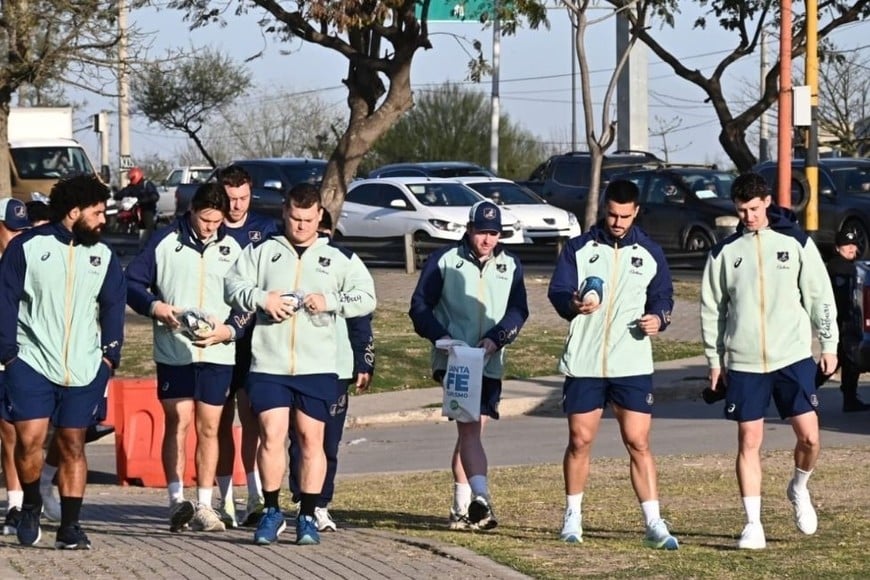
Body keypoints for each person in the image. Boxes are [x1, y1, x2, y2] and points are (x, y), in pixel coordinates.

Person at [224, 182, 376, 547]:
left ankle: (307, 513)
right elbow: (231, 285)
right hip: (270, 363)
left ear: (320, 216)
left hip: (317, 365)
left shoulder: (339, 256)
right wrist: (263, 299)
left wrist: (331, 301)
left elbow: (366, 297)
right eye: (295, 218)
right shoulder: (262, 250)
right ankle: (272, 510)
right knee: (272, 435)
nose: (301, 225)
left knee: (312, 440)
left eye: (308, 219)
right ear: (284, 213)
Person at [700, 172, 838, 550]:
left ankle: (798, 488)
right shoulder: (724, 253)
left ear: (767, 204)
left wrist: (829, 344)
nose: (749, 216)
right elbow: (713, 310)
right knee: (749, 439)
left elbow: (820, 296)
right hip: (744, 362)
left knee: (809, 437)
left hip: (792, 356)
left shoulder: (795, 242)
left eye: (755, 209)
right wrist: (715, 360)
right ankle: (752, 524)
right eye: (742, 210)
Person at [547, 179, 679, 550]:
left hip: (631, 362)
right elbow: (558, 292)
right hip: (585, 363)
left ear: (636, 212)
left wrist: (659, 318)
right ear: (604, 209)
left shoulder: (651, 252)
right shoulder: (578, 248)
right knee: (580, 440)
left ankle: (654, 522)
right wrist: (574, 303)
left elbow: (663, 298)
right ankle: (573, 516)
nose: (617, 222)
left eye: (624, 216)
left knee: (638, 441)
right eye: (612, 214)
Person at [0, 175, 126, 549]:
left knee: (73, 443)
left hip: (85, 366)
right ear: (74, 212)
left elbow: (113, 306)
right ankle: (31, 504)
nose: (104, 219)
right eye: (97, 212)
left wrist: (109, 355)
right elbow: (5, 302)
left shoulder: (103, 255)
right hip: (32, 362)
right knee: (29, 442)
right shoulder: (26, 247)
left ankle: (70, 526)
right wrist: (9, 354)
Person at [125, 182, 251, 534]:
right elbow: (132, 283)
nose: (210, 227)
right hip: (174, 350)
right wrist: (156, 307)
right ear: (192, 211)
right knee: (178, 419)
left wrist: (229, 331)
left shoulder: (235, 247)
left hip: (217, 352)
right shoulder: (165, 241)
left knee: (210, 426)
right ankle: (176, 500)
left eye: (216, 221)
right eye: (205, 220)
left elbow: (248, 302)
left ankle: (206, 505)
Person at [409, 200, 529, 532]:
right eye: (481, 232)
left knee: (472, 433)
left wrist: (497, 338)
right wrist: (442, 339)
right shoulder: (443, 261)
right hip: (456, 361)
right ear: (469, 229)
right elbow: (419, 307)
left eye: (494, 233)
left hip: (489, 360)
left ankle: (460, 509)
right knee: (470, 429)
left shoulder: (511, 264)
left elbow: (519, 310)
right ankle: (481, 500)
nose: (488, 240)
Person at [288, 211, 375, 533]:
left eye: (323, 233)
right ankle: (302, 498)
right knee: (299, 439)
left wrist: (364, 362)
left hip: (336, 368)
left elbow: (361, 318)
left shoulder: (342, 267)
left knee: (329, 442)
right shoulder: (289, 266)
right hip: (295, 365)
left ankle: (321, 504)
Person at [213, 165, 280, 529]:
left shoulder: (266, 229)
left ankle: (255, 495)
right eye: (230, 198)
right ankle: (223, 499)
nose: (236, 206)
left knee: (253, 417)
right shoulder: (210, 224)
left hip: (255, 339)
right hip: (218, 336)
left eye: (242, 198)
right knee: (219, 421)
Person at [0, 198, 32, 537]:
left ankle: (18, 503)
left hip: (18, 357)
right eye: (10, 230)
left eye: (21, 230)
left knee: (15, 432)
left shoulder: (28, 260)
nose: (16, 236)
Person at [815, 230, 870, 412]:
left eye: (854, 245)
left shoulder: (849, 267)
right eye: (847, 246)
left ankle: (849, 398)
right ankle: (802, 392)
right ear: (838, 248)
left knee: (847, 361)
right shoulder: (839, 268)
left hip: (848, 321)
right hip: (841, 322)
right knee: (838, 361)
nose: (852, 249)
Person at [116, 166, 160, 249]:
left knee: (147, 226)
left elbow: (155, 196)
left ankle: (150, 245)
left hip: (146, 209)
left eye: (132, 178)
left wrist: (141, 200)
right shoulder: (131, 186)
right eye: (130, 178)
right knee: (121, 215)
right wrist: (121, 196)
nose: (131, 180)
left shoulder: (146, 184)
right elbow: (120, 194)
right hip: (134, 209)